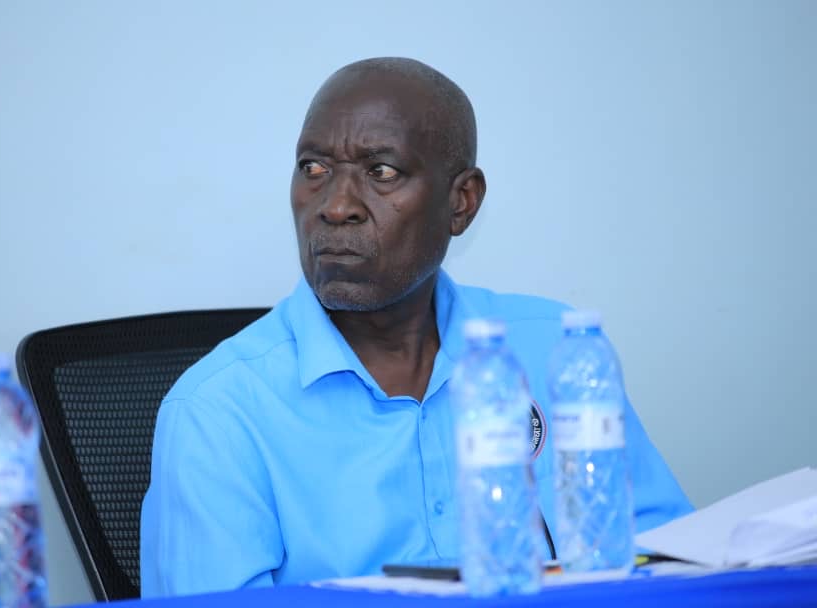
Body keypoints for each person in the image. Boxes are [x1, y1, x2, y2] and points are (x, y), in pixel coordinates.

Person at [139, 57, 693, 597]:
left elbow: (672, 566)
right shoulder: (218, 413)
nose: (336, 206)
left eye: (381, 172)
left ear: (461, 203)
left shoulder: (553, 348)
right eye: (314, 168)